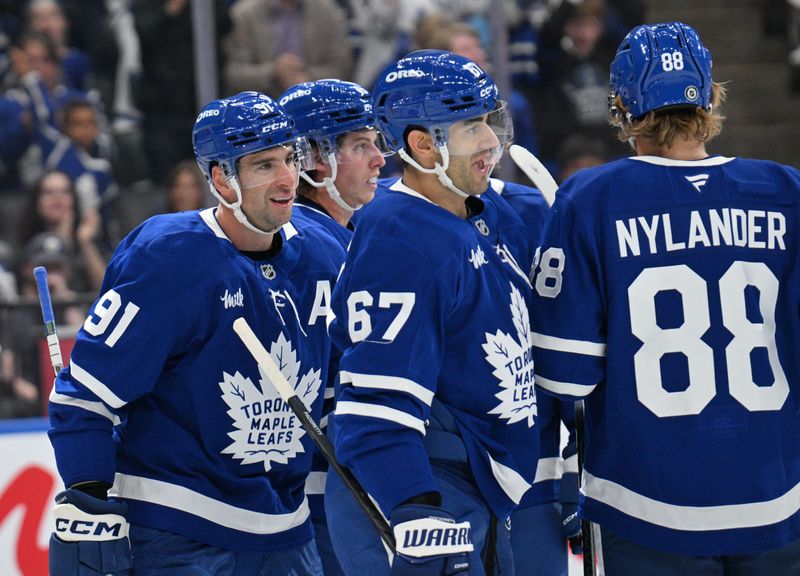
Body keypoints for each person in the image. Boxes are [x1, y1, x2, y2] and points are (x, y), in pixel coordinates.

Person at [530, 21, 800, 575]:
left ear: (624, 106)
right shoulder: (786, 190)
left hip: (645, 499)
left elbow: (565, 374)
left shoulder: (591, 197)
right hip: (778, 492)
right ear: (709, 95)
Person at [47, 90, 346, 575]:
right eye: (265, 165)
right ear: (222, 179)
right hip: (178, 530)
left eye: (290, 158)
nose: (289, 177)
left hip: (288, 531)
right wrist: (88, 493)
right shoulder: (168, 257)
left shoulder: (322, 253)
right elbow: (85, 395)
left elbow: (342, 391)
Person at [326, 50, 540, 576]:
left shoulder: (478, 215)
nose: (492, 140)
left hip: (473, 483)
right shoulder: (401, 235)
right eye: (471, 126)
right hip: (432, 491)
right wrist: (413, 502)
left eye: (489, 121)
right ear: (422, 145)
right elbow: (374, 398)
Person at [278, 77, 389, 576]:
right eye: (361, 145)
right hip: (321, 498)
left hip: (331, 487)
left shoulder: (342, 235)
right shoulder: (309, 248)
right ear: (313, 158)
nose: (379, 160)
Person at [223, 0, 351, 98]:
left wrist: (308, 78)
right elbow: (233, 73)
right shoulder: (243, 14)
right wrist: (274, 72)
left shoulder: (329, 12)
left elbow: (342, 67)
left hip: (317, 105)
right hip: (259, 113)